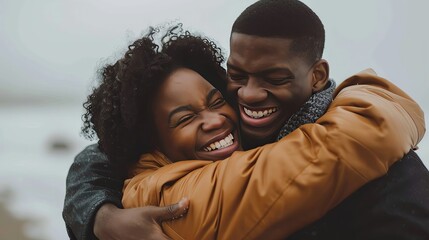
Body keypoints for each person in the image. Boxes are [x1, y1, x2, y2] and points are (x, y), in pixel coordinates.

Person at [63, 0, 427, 239]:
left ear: (317, 76)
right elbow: (102, 155)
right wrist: (101, 216)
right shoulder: (232, 122)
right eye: (236, 75)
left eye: (275, 78)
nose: (249, 94)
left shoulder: (388, 171)